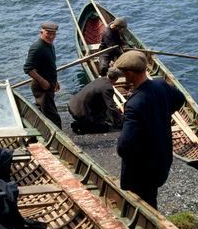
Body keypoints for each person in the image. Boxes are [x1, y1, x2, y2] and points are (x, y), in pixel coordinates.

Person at [115, 50, 185, 209]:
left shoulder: (134, 104)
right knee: (151, 196)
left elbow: (124, 145)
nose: (123, 76)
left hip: (141, 168)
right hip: (162, 158)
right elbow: (180, 99)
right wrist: (162, 117)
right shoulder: (161, 85)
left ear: (131, 73)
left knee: (143, 204)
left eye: (124, 72)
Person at [23, 22, 62, 129]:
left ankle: (33, 131)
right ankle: (62, 139)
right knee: (53, 116)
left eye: (54, 34)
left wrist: (55, 81)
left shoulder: (50, 46)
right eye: (48, 33)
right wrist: (43, 81)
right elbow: (28, 68)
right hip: (41, 87)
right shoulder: (37, 47)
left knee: (41, 110)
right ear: (41, 32)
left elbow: (50, 66)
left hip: (50, 83)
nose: (51, 36)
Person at [69, 67, 123, 134]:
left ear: (107, 73)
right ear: (117, 78)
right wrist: (120, 122)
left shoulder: (100, 79)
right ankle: (81, 126)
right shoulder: (108, 88)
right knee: (104, 128)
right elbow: (111, 107)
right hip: (80, 113)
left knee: (103, 112)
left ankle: (84, 122)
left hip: (72, 106)